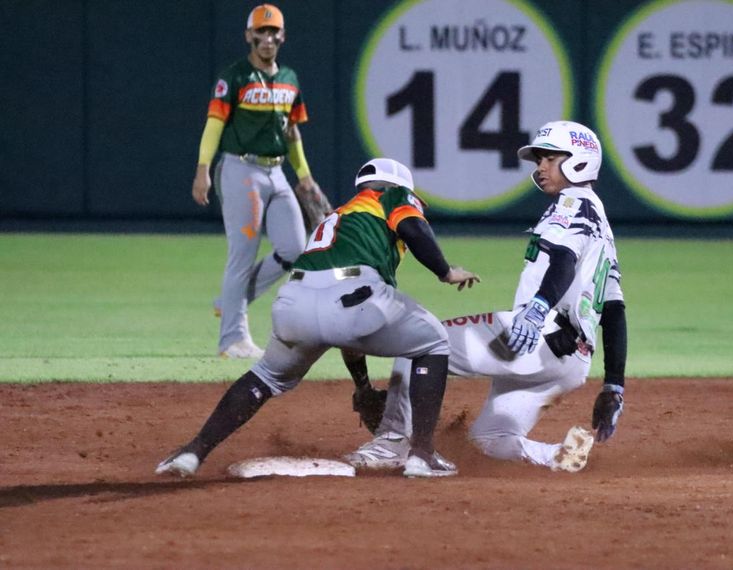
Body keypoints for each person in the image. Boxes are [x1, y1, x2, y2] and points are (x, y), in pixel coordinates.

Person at [156, 158, 480, 478]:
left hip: (294, 301)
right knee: (434, 341)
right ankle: (422, 454)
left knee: (265, 377)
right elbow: (412, 227)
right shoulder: (391, 195)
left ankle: (192, 451)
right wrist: (445, 271)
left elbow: (339, 328)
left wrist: (363, 387)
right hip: (355, 295)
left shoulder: (339, 216)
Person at [344, 121, 627, 472]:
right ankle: (556, 455)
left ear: (580, 160)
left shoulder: (571, 202)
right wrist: (614, 385)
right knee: (489, 440)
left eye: (550, 158)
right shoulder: (601, 222)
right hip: (572, 363)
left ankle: (391, 444)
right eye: (539, 159)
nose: (540, 167)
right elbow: (614, 309)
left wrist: (538, 309)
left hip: (535, 336)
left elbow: (564, 261)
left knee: (419, 344)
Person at [193, 4, 327, 358]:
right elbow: (214, 125)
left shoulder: (290, 78)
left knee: (295, 248)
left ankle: (231, 299)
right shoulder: (234, 76)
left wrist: (305, 177)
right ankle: (231, 339)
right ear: (248, 36)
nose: (267, 38)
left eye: (273, 32)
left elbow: (293, 131)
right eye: (260, 32)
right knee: (242, 254)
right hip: (241, 170)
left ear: (282, 37)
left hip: (277, 170)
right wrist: (203, 168)